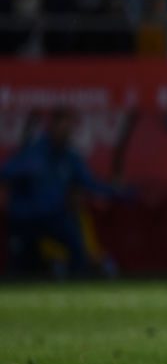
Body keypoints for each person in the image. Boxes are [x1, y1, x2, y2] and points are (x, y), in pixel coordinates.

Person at [1, 108, 123, 279]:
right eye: (63, 127)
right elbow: (6, 173)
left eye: (69, 128)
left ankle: (75, 287)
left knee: (77, 247)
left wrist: (122, 192)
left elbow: (89, 183)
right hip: (25, 218)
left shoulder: (70, 157)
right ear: (53, 126)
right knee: (19, 262)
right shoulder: (33, 153)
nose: (66, 132)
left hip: (54, 218)